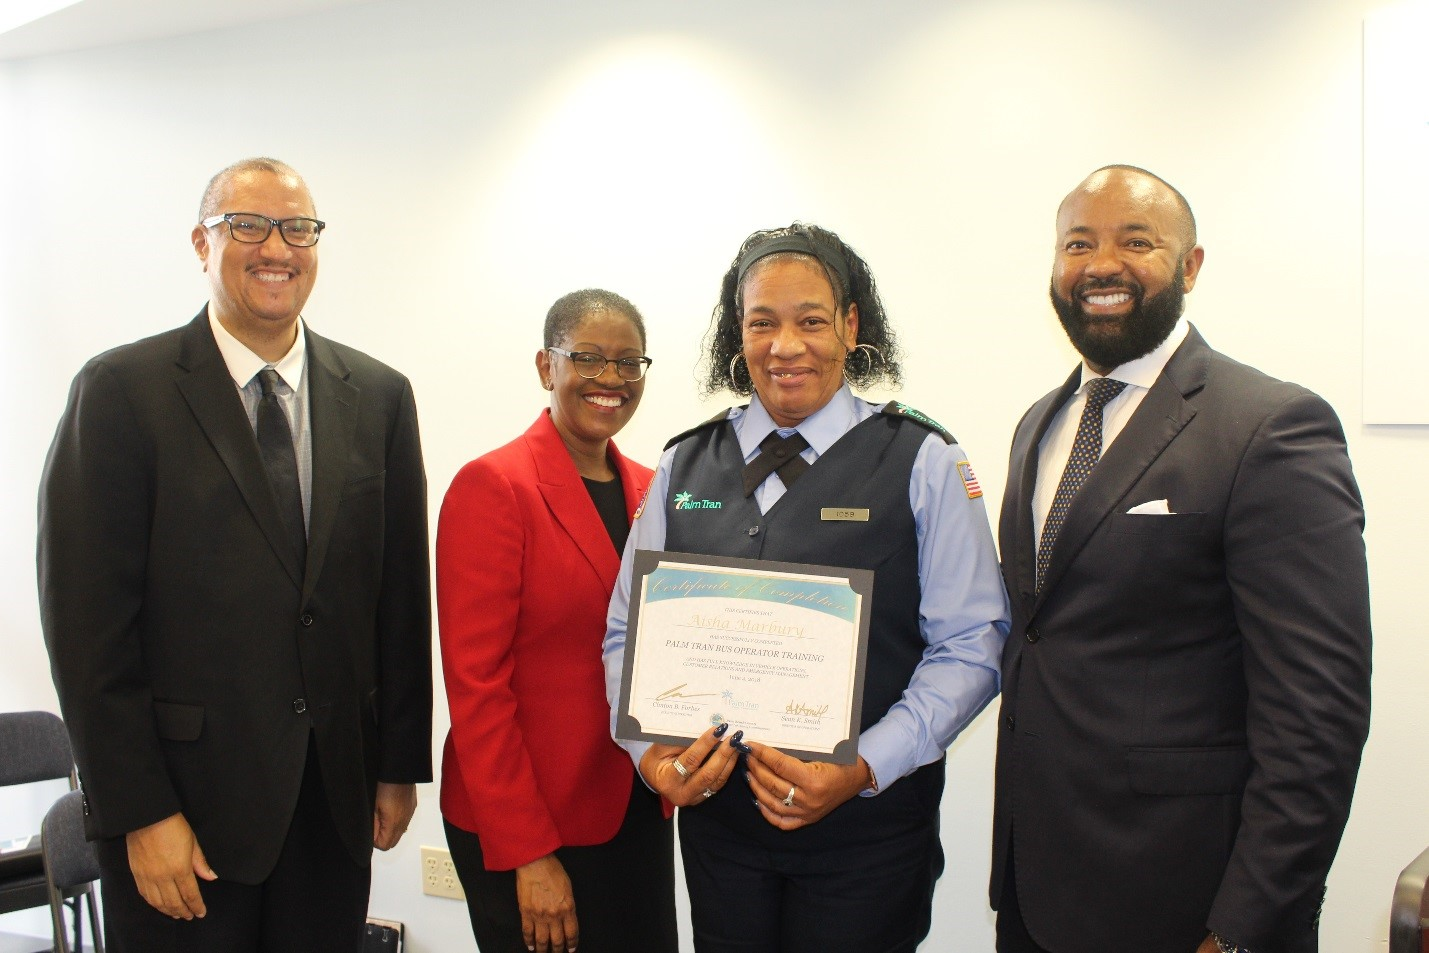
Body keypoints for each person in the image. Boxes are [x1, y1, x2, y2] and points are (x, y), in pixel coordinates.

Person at [37, 157, 432, 953]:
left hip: (332, 798)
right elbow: (88, 630)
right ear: (201, 242)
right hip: (183, 809)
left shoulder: (380, 395)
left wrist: (397, 762)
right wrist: (139, 810)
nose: (275, 247)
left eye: (297, 228)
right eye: (246, 225)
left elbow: (398, 595)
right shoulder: (122, 389)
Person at [991, 165, 1372, 953]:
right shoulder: (1039, 422)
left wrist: (1241, 928)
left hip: (1184, 902)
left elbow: (1316, 715)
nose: (1101, 264)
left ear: (1191, 266)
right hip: (1039, 892)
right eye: (1077, 243)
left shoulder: (1270, 426)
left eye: (1137, 240)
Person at [602, 223, 1011, 953]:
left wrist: (863, 766)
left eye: (810, 321)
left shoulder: (922, 460)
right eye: (762, 322)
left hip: (868, 840)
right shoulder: (684, 465)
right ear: (739, 332)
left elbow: (971, 645)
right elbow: (627, 633)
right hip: (720, 838)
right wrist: (647, 755)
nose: (784, 346)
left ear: (850, 325)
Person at [437, 289, 676, 953]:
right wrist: (528, 853)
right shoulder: (493, 486)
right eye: (590, 359)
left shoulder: (653, 489)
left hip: (634, 802)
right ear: (547, 366)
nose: (611, 379)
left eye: (630, 363)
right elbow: (475, 687)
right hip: (533, 819)